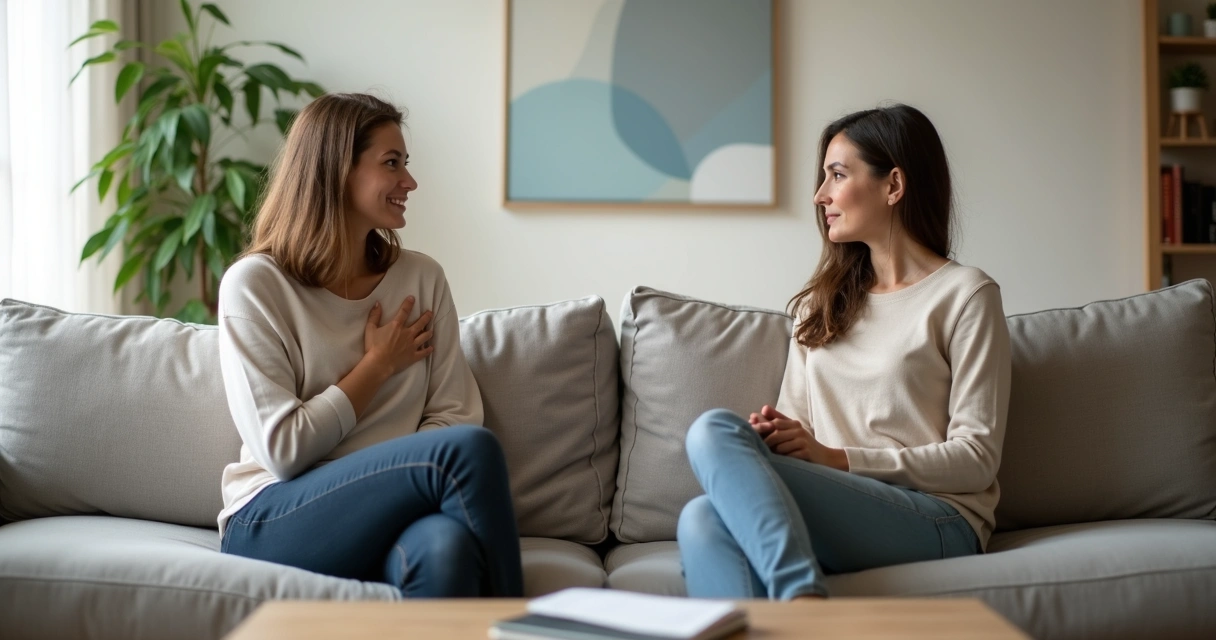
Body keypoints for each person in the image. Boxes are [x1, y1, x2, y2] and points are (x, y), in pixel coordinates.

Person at [677, 104, 1011, 599]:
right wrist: (778, 437)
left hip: (938, 517)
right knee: (701, 514)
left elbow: (976, 458)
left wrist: (838, 459)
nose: (819, 196)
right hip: (843, 502)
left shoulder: (966, 295)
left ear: (893, 185)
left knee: (710, 433)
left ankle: (803, 601)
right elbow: (801, 431)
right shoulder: (821, 304)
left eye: (837, 175)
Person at [215, 92, 522, 598]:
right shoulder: (255, 286)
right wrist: (377, 366)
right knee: (467, 453)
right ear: (338, 170)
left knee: (448, 549)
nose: (410, 181)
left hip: (393, 512)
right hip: (274, 516)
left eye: (406, 163)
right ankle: (523, 629)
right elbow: (284, 450)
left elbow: (454, 415)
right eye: (392, 163)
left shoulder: (421, 278)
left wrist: (391, 487)